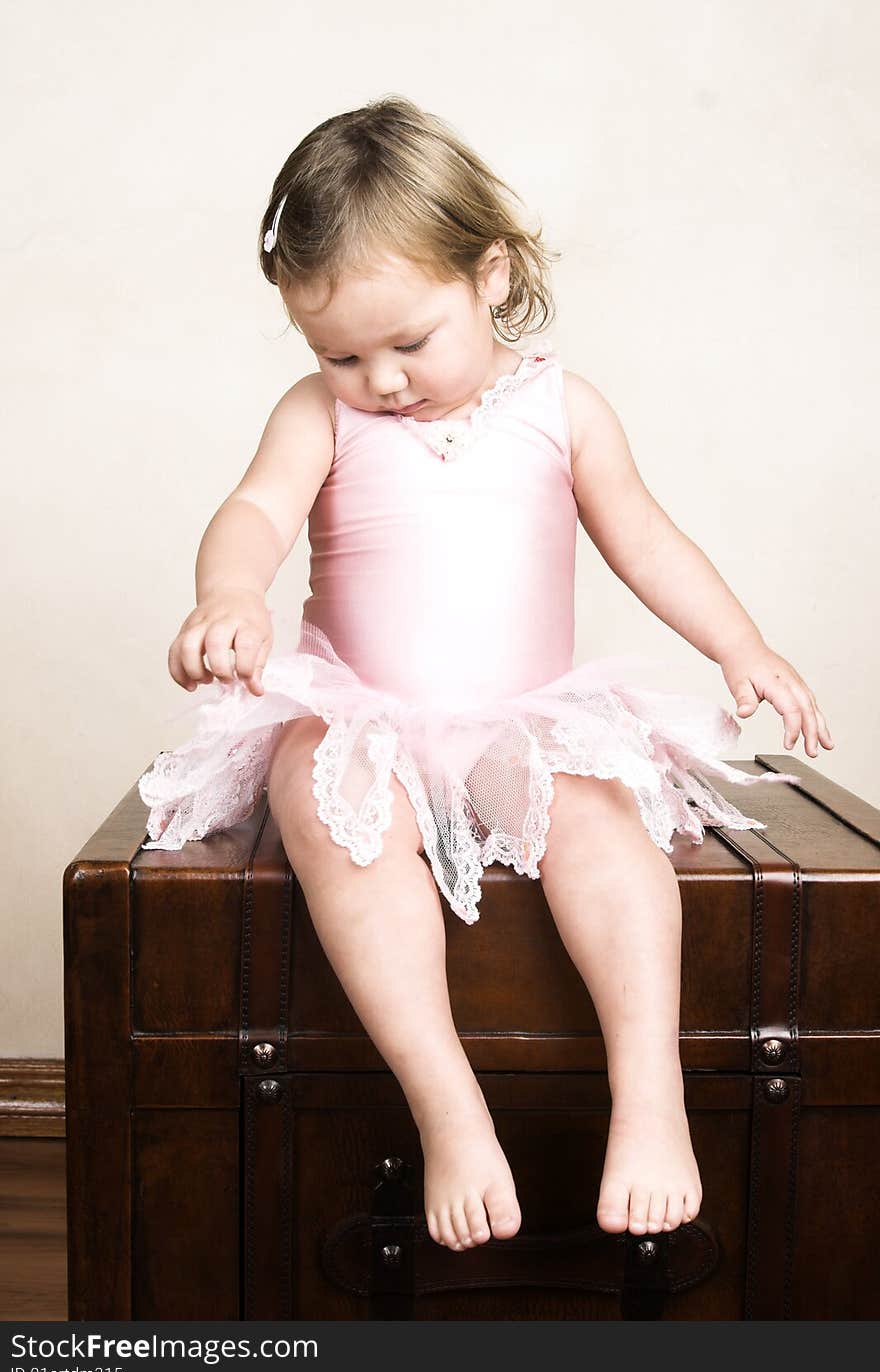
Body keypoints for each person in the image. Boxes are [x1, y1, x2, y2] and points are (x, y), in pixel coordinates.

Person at [138, 95, 834, 1255]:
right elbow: (254, 511)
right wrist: (229, 592)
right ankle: (447, 1103)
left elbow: (647, 538)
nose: (383, 378)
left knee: (602, 823)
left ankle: (649, 1090)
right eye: (342, 353)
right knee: (333, 814)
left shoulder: (563, 408)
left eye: (410, 341)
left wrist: (740, 642)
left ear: (491, 276)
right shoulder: (320, 414)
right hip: (365, 712)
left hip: (522, 717)